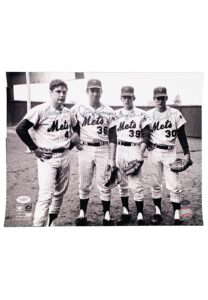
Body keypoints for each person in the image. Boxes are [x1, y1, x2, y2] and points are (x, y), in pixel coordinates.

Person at [16, 79, 80, 226]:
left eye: (64, 92)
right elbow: (20, 128)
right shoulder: (40, 110)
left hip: (64, 156)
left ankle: (51, 223)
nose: (62, 95)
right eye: (58, 91)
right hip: (47, 158)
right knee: (46, 196)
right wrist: (34, 149)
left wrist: (75, 136)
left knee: (59, 194)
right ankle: (37, 226)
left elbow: (77, 128)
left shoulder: (68, 113)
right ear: (51, 93)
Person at [71, 79, 117, 226]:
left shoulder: (109, 111)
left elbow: (113, 136)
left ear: (101, 91)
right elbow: (72, 126)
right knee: (84, 183)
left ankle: (107, 215)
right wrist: (75, 135)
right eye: (92, 90)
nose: (95, 92)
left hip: (103, 148)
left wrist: (112, 158)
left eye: (97, 90)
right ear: (87, 91)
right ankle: (82, 213)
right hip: (85, 149)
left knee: (104, 183)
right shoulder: (77, 108)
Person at [146, 86, 192, 225]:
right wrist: (146, 143)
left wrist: (187, 153)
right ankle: (158, 212)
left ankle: (177, 213)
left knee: (173, 184)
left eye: (163, 98)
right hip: (154, 152)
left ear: (166, 98)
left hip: (170, 152)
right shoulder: (148, 114)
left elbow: (182, 135)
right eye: (157, 98)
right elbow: (145, 133)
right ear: (154, 99)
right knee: (155, 184)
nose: (160, 100)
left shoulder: (175, 113)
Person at [111, 86, 151, 225]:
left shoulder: (141, 113)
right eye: (124, 97)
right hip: (120, 149)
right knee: (122, 183)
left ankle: (140, 213)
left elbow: (146, 134)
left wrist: (141, 152)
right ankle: (125, 211)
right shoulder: (115, 114)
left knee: (136, 183)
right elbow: (113, 136)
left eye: (129, 96)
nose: (127, 99)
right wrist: (113, 156)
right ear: (121, 98)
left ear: (134, 97)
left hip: (135, 148)